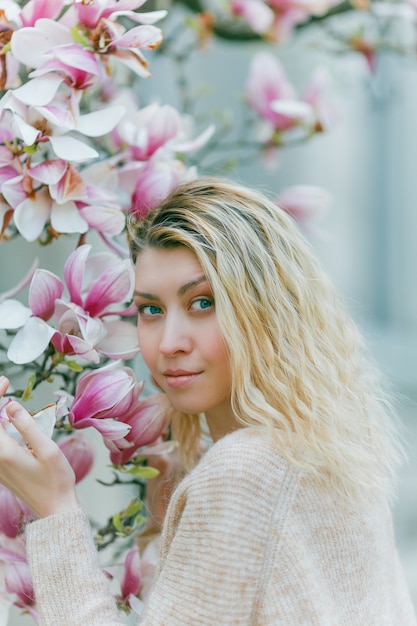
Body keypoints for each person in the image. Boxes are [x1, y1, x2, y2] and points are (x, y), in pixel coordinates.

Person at [0, 177, 416, 625]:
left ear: (266, 310)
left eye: (202, 303)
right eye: (151, 310)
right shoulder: (328, 458)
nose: (169, 343)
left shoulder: (242, 474)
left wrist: (54, 507)